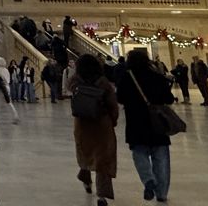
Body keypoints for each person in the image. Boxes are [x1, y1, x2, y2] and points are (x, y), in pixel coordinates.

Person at [116, 49, 173, 203]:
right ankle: (162, 193)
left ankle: (148, 180)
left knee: (139, 153)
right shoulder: (157, 77)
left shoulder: (127, 78)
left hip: (136, 122)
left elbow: (120, 98)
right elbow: (169, 98)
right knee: (161, 158)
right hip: (157, 122)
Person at [69, 54, 118, 206]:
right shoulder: (103, 83)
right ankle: (101, 196)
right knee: (103, 160)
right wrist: (113, 121)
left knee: (85, 153)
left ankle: (85, 177)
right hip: (101, 124)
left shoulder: (75, 82)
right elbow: (112, 105)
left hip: (82, 124)